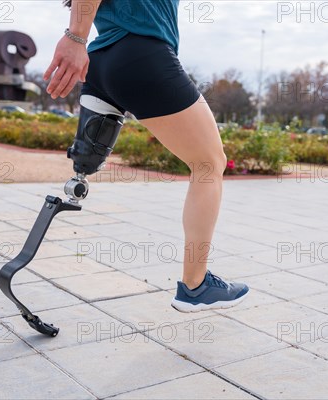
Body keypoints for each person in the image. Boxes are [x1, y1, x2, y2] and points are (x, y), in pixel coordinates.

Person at [43, 0, 249, 312]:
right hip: (141, 54)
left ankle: (20, 260)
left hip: (103, 63)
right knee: (209, 163)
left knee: (82, 170)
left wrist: (81, 38)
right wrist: (75, 37)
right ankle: (196, 285)